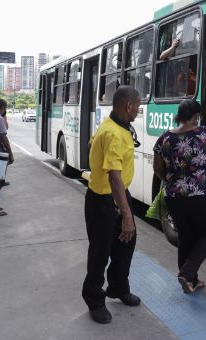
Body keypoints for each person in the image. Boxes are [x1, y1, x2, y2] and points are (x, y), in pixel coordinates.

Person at [153, 99, 206, 294]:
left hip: (173, 197)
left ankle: (190, 279)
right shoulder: (204, 134)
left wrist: (170, 182)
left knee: (186, 236)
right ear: (195, 116)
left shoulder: (164, 138)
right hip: (200, 196)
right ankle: (188, 272)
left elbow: (158, 169)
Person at [82, 85, 142, 324]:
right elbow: (114, 176)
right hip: (104, 200)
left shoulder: (114, 126)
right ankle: (94, 300)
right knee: (100, 253)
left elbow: (91, 144)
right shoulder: (114, 133)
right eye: (137, 106)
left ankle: (118, 287)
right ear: (128, 106)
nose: (138, 111)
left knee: (126, 245)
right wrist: (126, 215)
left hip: (118, 196)